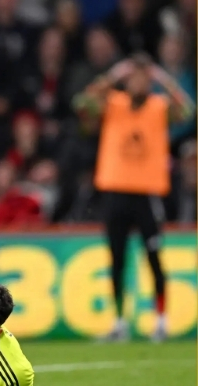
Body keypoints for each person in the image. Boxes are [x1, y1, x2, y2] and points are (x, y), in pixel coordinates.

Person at [73, 53, 194, 342]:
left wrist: (164, 80)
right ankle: (118, 323)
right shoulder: (114, 103)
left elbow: (188, 112)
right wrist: (113, 75)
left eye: (144, 77)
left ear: (149, 80)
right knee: (117, 259)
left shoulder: (158, 106)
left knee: (154, 257)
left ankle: (161, 321)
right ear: (127, 79)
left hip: (147, 193)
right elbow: (82, 104)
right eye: (134, 76)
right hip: (116, 191)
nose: (138, 82)